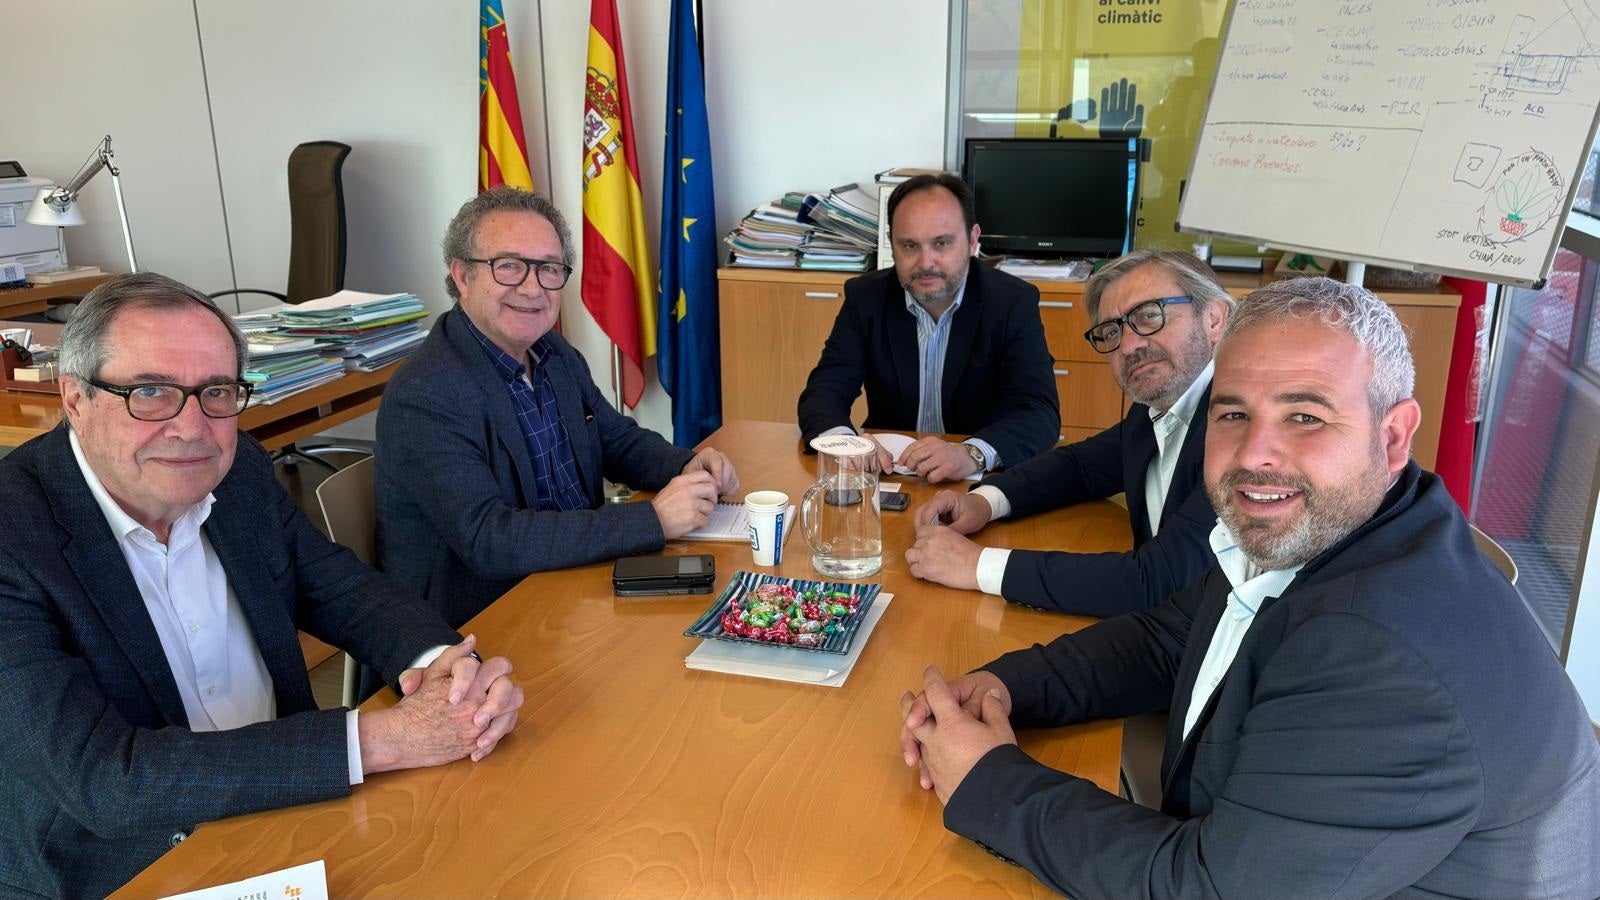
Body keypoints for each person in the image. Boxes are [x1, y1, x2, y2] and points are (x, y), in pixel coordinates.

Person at [897, 276, 1600, 898]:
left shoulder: (1385, 661)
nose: (1255, 455)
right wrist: (1006, 685)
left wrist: (989, 781)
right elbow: (1168, 639)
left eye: (1305, 416)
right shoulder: (1335, 525)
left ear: (1393, 436)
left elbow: (1208, 887)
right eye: (1232, 414)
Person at [0, 274, 525, 899]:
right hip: (132, 865)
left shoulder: (237, 465)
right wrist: (383, 738)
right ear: (75, 397)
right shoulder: (13, 535)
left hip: (294, 810)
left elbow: (334, 585)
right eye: (149, 391)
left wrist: (442, 667)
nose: (192, 427)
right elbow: (108, 781)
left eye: (216, 392)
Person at [376, 187, 739, 627]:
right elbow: (490, 540)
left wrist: (687, 465)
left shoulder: (553, 353)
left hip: (573, 581)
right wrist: (651, 521)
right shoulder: (427, 393)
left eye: (548, 269)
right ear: (462, 276)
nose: (532, 288)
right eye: (508, 266)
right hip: (483, 620)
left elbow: (616, 441)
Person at [906, 250, 1230, 616]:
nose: (1129, 346)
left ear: (1214, 318)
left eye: (1149, 316)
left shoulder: (1240, 430)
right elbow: (1080, 466)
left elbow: (1157, 581)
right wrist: (983, 503)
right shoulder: (1157, 407)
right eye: (1112, 331)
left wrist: (977, 565)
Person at [795, 173, 1059, 483]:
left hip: (978, 481)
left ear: (973, 239)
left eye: (942, 243)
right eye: (909, 245)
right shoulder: (866, 298)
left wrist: (970, 453)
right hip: (890, 476)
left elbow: (1039, 412)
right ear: (892, 243)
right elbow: (824, 391)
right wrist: (847, 445)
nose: (926, 262)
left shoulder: (1012, 302)